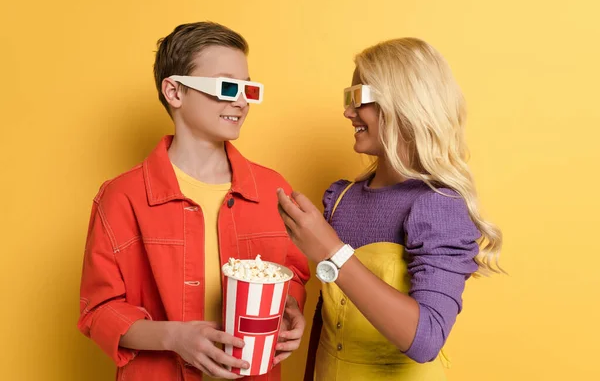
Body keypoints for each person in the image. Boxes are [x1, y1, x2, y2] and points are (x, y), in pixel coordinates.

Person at [78, 21, 310, 381]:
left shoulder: (272, 189)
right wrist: (175, 337)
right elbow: (100, 310)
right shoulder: (122, 196)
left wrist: (291, 308)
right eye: (227, 86)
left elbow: (293, 272)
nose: (241, 100)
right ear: (174, 91)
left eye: (248, 88)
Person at [276, 37, 503, 380]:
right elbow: (329, 319)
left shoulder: (438, 205)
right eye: (347, 98)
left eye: (358, 98)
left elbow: (426, 338)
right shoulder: (341, 198)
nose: (347, 112)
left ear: (405, 104)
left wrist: (331, 252)